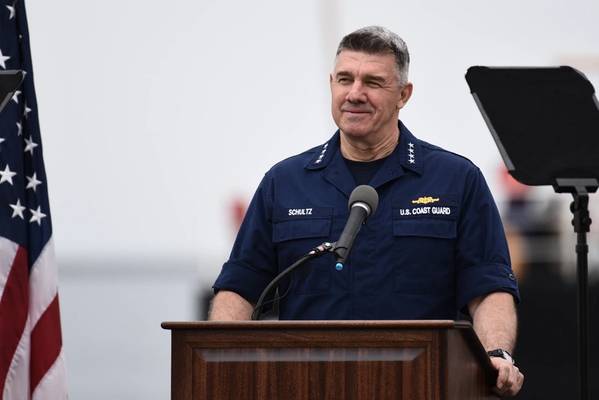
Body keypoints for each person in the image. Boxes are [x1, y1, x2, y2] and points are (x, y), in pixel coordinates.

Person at [209, 26, 524, 396]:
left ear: (403, 94)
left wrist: (497, 353)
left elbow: (489, 287)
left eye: (373, 82)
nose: (354, 93)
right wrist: (218, 359)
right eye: (345, 79)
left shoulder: (456, 180)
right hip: (305, 385)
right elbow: (240, 287)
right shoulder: (284, 182)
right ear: (331, 84)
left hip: (422, 384)